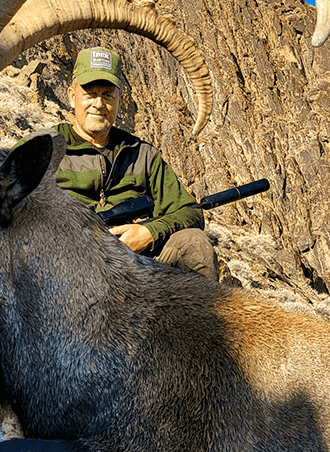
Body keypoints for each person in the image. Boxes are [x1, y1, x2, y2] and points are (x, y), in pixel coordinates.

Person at [45, 46, 218, 280]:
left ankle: (195, 316)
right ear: (71, 95)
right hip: (63, 270)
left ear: (120, 101)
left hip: (136, 274)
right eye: (89, 93)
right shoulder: (43, 148)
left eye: (107, 95)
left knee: (194, 242)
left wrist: (148, 232)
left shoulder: (143, 155)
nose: (98, 103)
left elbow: (191, 213)